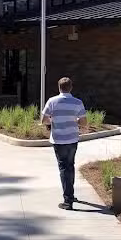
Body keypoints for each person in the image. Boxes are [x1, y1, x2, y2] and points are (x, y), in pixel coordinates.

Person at [41, 77, 87, 210]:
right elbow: (84, 122)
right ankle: (71, 195)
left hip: (58, 140)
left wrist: (54, 121)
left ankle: (68, 201)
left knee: (63, 168)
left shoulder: (52, 101)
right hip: (72, 139)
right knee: (70, 165)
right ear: (71, 87)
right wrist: (74, 121)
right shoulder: (77, 102)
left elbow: (44, 120)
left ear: (59, 87)